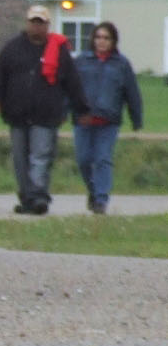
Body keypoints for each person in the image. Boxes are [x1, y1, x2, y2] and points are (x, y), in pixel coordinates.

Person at [0, 5, 90, 215]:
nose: (36, 26)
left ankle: (39, 196)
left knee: (41, 156)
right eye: (33, 21)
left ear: (48, 25)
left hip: (46, 114)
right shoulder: (12, 48)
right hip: (16, 113)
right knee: (20, 159)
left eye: (41, 22)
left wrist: (82, 109)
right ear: (27, 23)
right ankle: (27, 198)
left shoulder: (58, 51)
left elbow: (73, 82)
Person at [71, 21, 144, 214]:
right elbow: (70, 89)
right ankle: (93, 190)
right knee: (84, 160)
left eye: (106, 38)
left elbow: (132, 92)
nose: (101, 42)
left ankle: (101, 199)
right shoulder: (81, 61)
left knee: (103, 158)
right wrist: (64, 111)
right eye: (98, 37)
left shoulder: (121, 64)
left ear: (113, 41)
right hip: (83, 120)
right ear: (93, 40)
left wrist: (136, 118)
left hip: (108, 121)